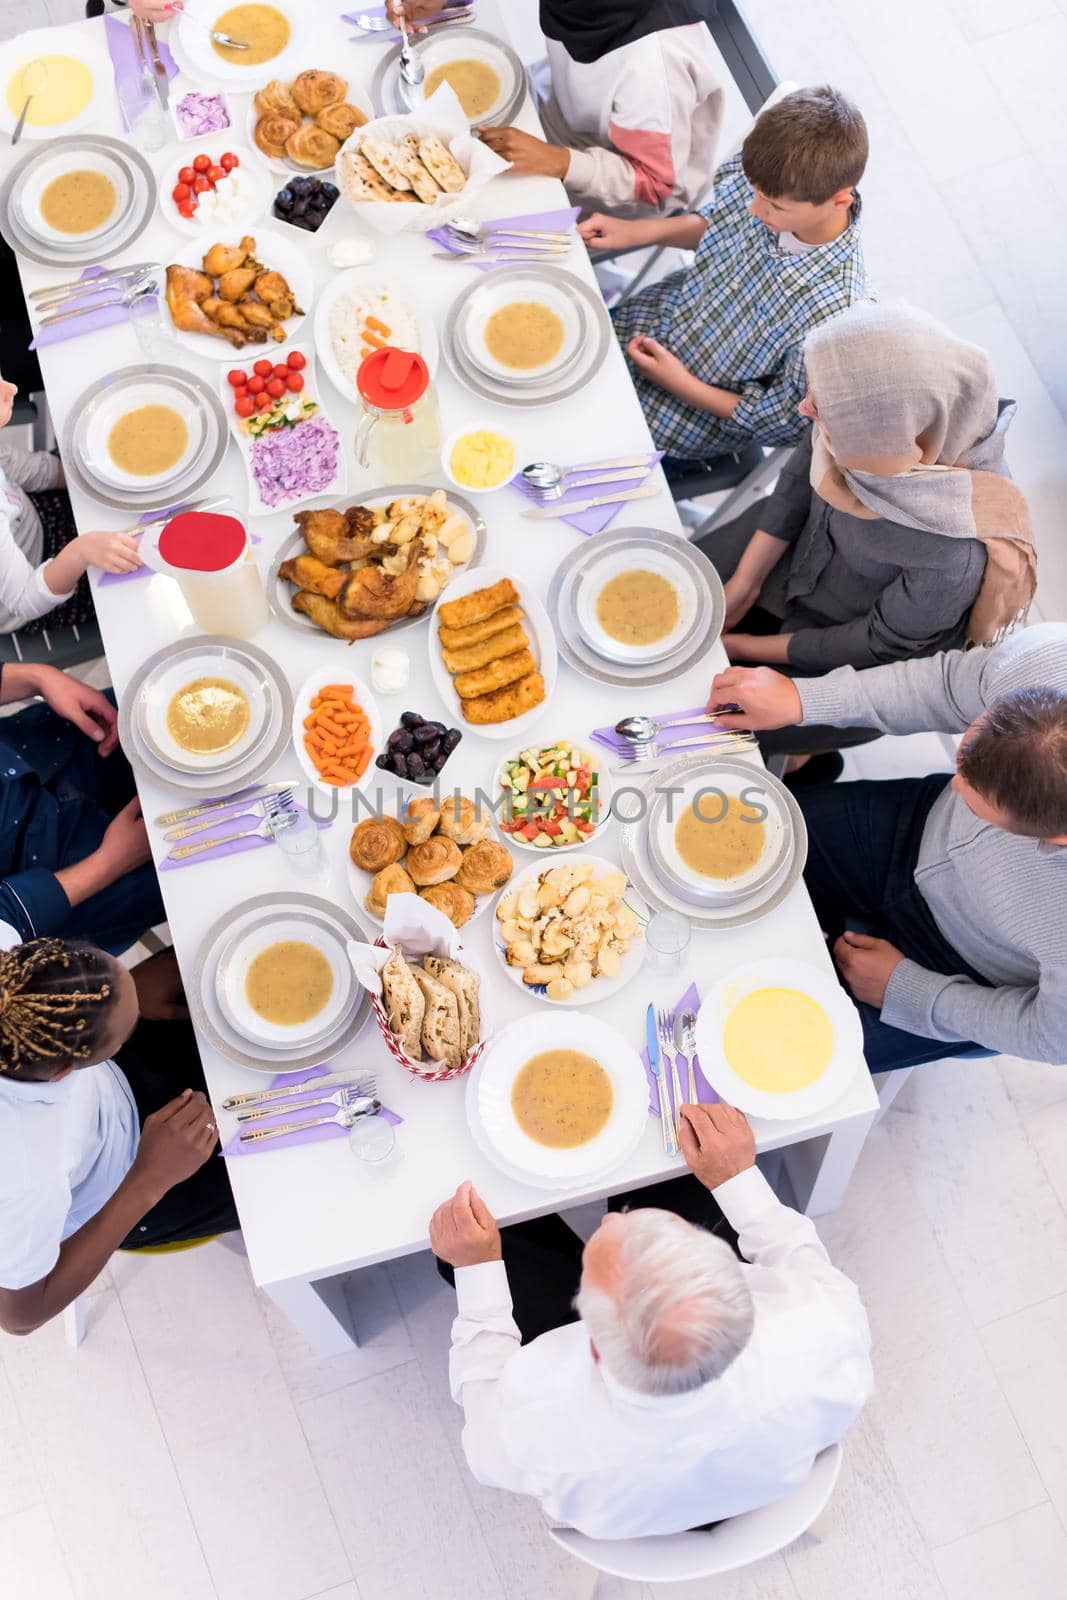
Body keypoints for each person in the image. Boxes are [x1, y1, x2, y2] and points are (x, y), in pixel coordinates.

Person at [429, 1102, 872, 1537]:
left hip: (629, 1499)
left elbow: (484, 1392)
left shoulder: (534, 1438)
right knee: (678, 1164)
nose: (608, 1219)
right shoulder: (827, 1331)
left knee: (475, 1252)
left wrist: (475, 1267)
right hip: (759, 1469)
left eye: (596, 1258)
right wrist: (736, 1178)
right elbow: (796, 1257)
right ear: (739, 1284)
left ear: (591, 1345)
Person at [707, 621, 1067, 1070]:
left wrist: (914, 992)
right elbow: (947, 686)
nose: (956, 783)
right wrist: (803, 699)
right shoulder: (1051, 660)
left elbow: (1051, 1036)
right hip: (916, 827)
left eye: (979, 806)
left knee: (763, 1057)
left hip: (964, 970)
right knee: (723, 844)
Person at [697, 302, 1036, 768]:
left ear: (898, 440)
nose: (805, 408)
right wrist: (744, 584)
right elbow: (798, 482)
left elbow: (875, 643)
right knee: (670, 600)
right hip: (787, 553)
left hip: (842, 648)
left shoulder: (956, 550)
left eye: (822, 410)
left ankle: (805, 760)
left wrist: (740, 647)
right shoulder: (864, 413)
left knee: (706, 717)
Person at [579, 86, 869, 468]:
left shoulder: (833, 315)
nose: (754, 209)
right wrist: (641, 233)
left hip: (682, 416)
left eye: (774, 206)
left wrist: (681, 384)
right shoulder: (764, 181)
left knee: (572, 443)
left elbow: (784, 420)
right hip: (640, 323)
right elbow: (718, 223)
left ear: (839, 200)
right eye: (754, 193)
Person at [0, 938, 237, 1337]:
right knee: (298, 1167)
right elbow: (20, 1315)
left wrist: (128, 992)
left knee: (216, 962)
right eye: (123, 1034)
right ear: (65, 1070)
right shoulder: (27, 1176)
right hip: (127, 1179)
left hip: (109, 1080)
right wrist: (149, 1181)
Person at [389, 1, 724, 214]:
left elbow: (657, 185)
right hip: (557, 105)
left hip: (617, 181)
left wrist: (557, 161)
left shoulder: (652, 66)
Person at [0, 658, 164, 957]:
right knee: (233, 857)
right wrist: (110, 862)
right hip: (58, 883)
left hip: (37, 745)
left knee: (177, 702)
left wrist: (32, 677)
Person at [0, 371, 142, 634]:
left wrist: (102, 473)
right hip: (38, 587)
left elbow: (29, 470)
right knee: (140, 583)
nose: (12, 388)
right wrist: (82, 551)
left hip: (34, 518)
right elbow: (25, 600)